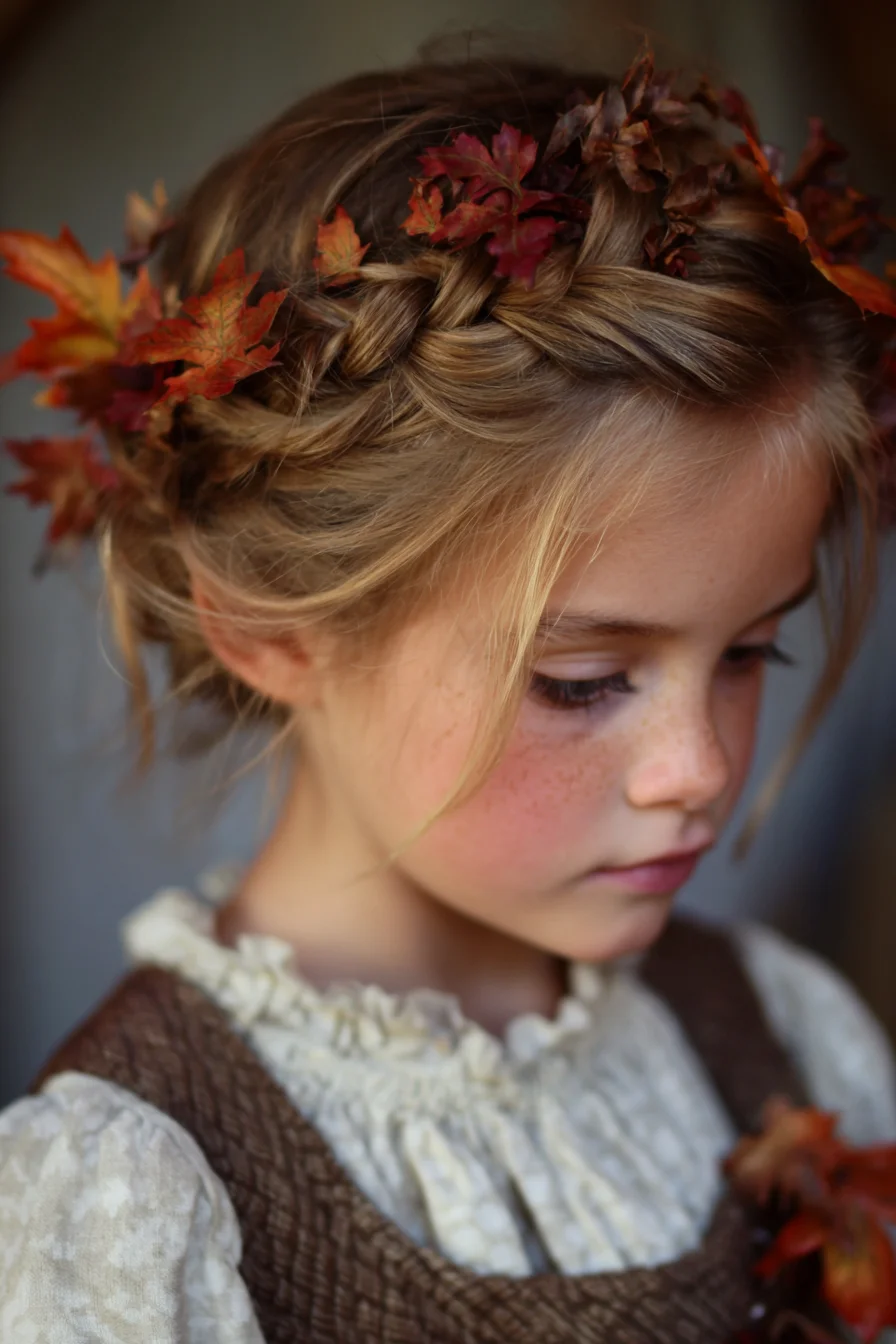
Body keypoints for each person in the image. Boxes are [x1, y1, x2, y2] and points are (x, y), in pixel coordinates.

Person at [1, 43, 896, 1344]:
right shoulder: (138, 1190)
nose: (700, 766)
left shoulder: (783, 1041)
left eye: (752, 653)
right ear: (268, 627)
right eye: (584, 682)